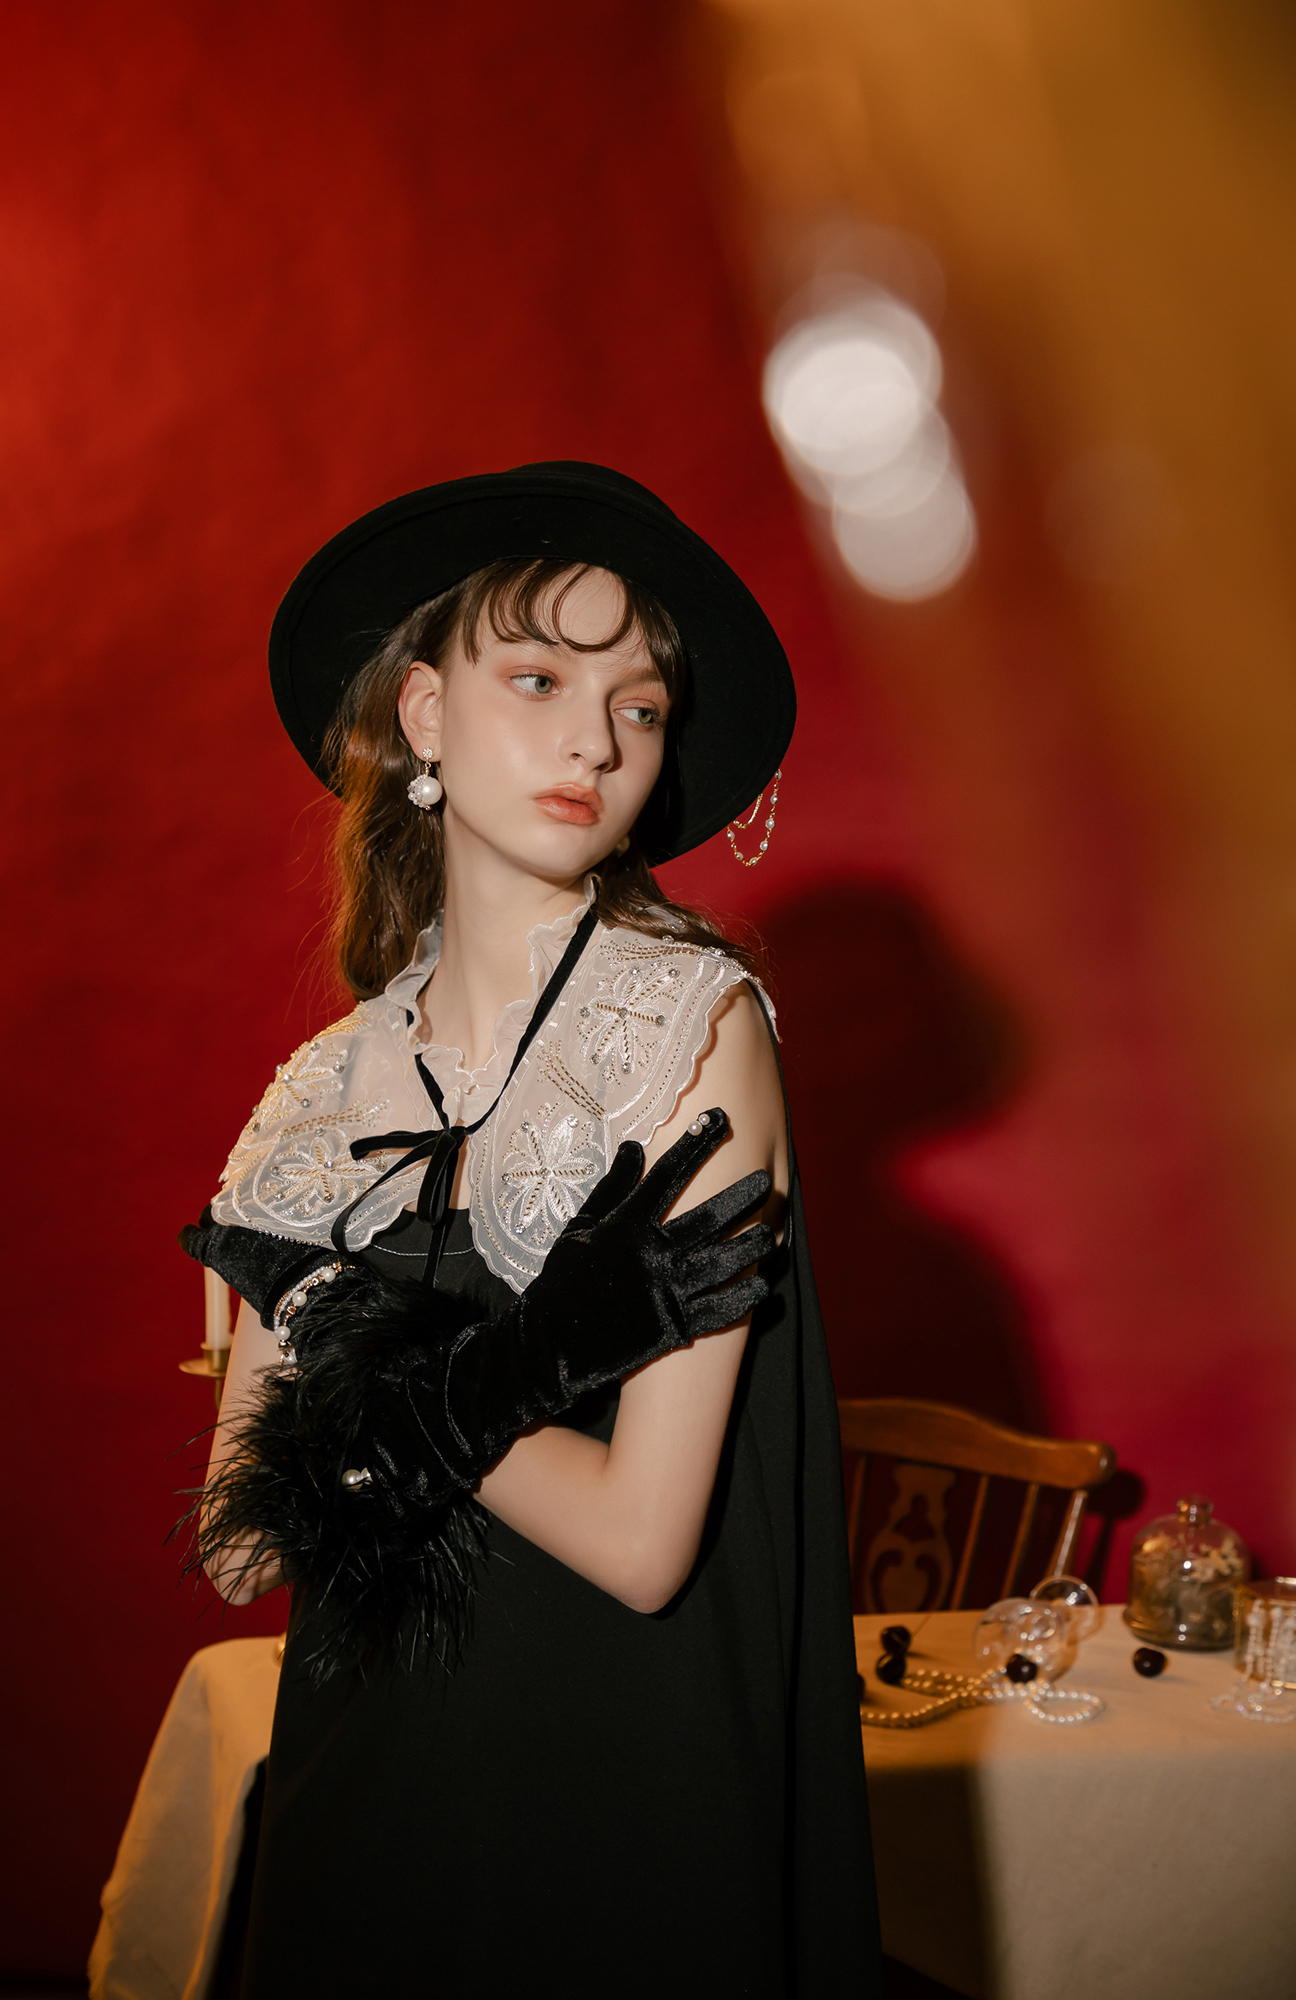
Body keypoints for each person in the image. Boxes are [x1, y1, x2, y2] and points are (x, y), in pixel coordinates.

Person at [181, 464, 882, 1998]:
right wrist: (474, 1375)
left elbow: (641, 1549)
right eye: (541, 678)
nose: (596, 741)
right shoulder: (322, 1092)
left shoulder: (690, 1028)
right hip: (363, 1787)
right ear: (425, 714)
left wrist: (386, 1378)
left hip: (615, 1804)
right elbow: (240, 1546)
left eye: (640, 707)